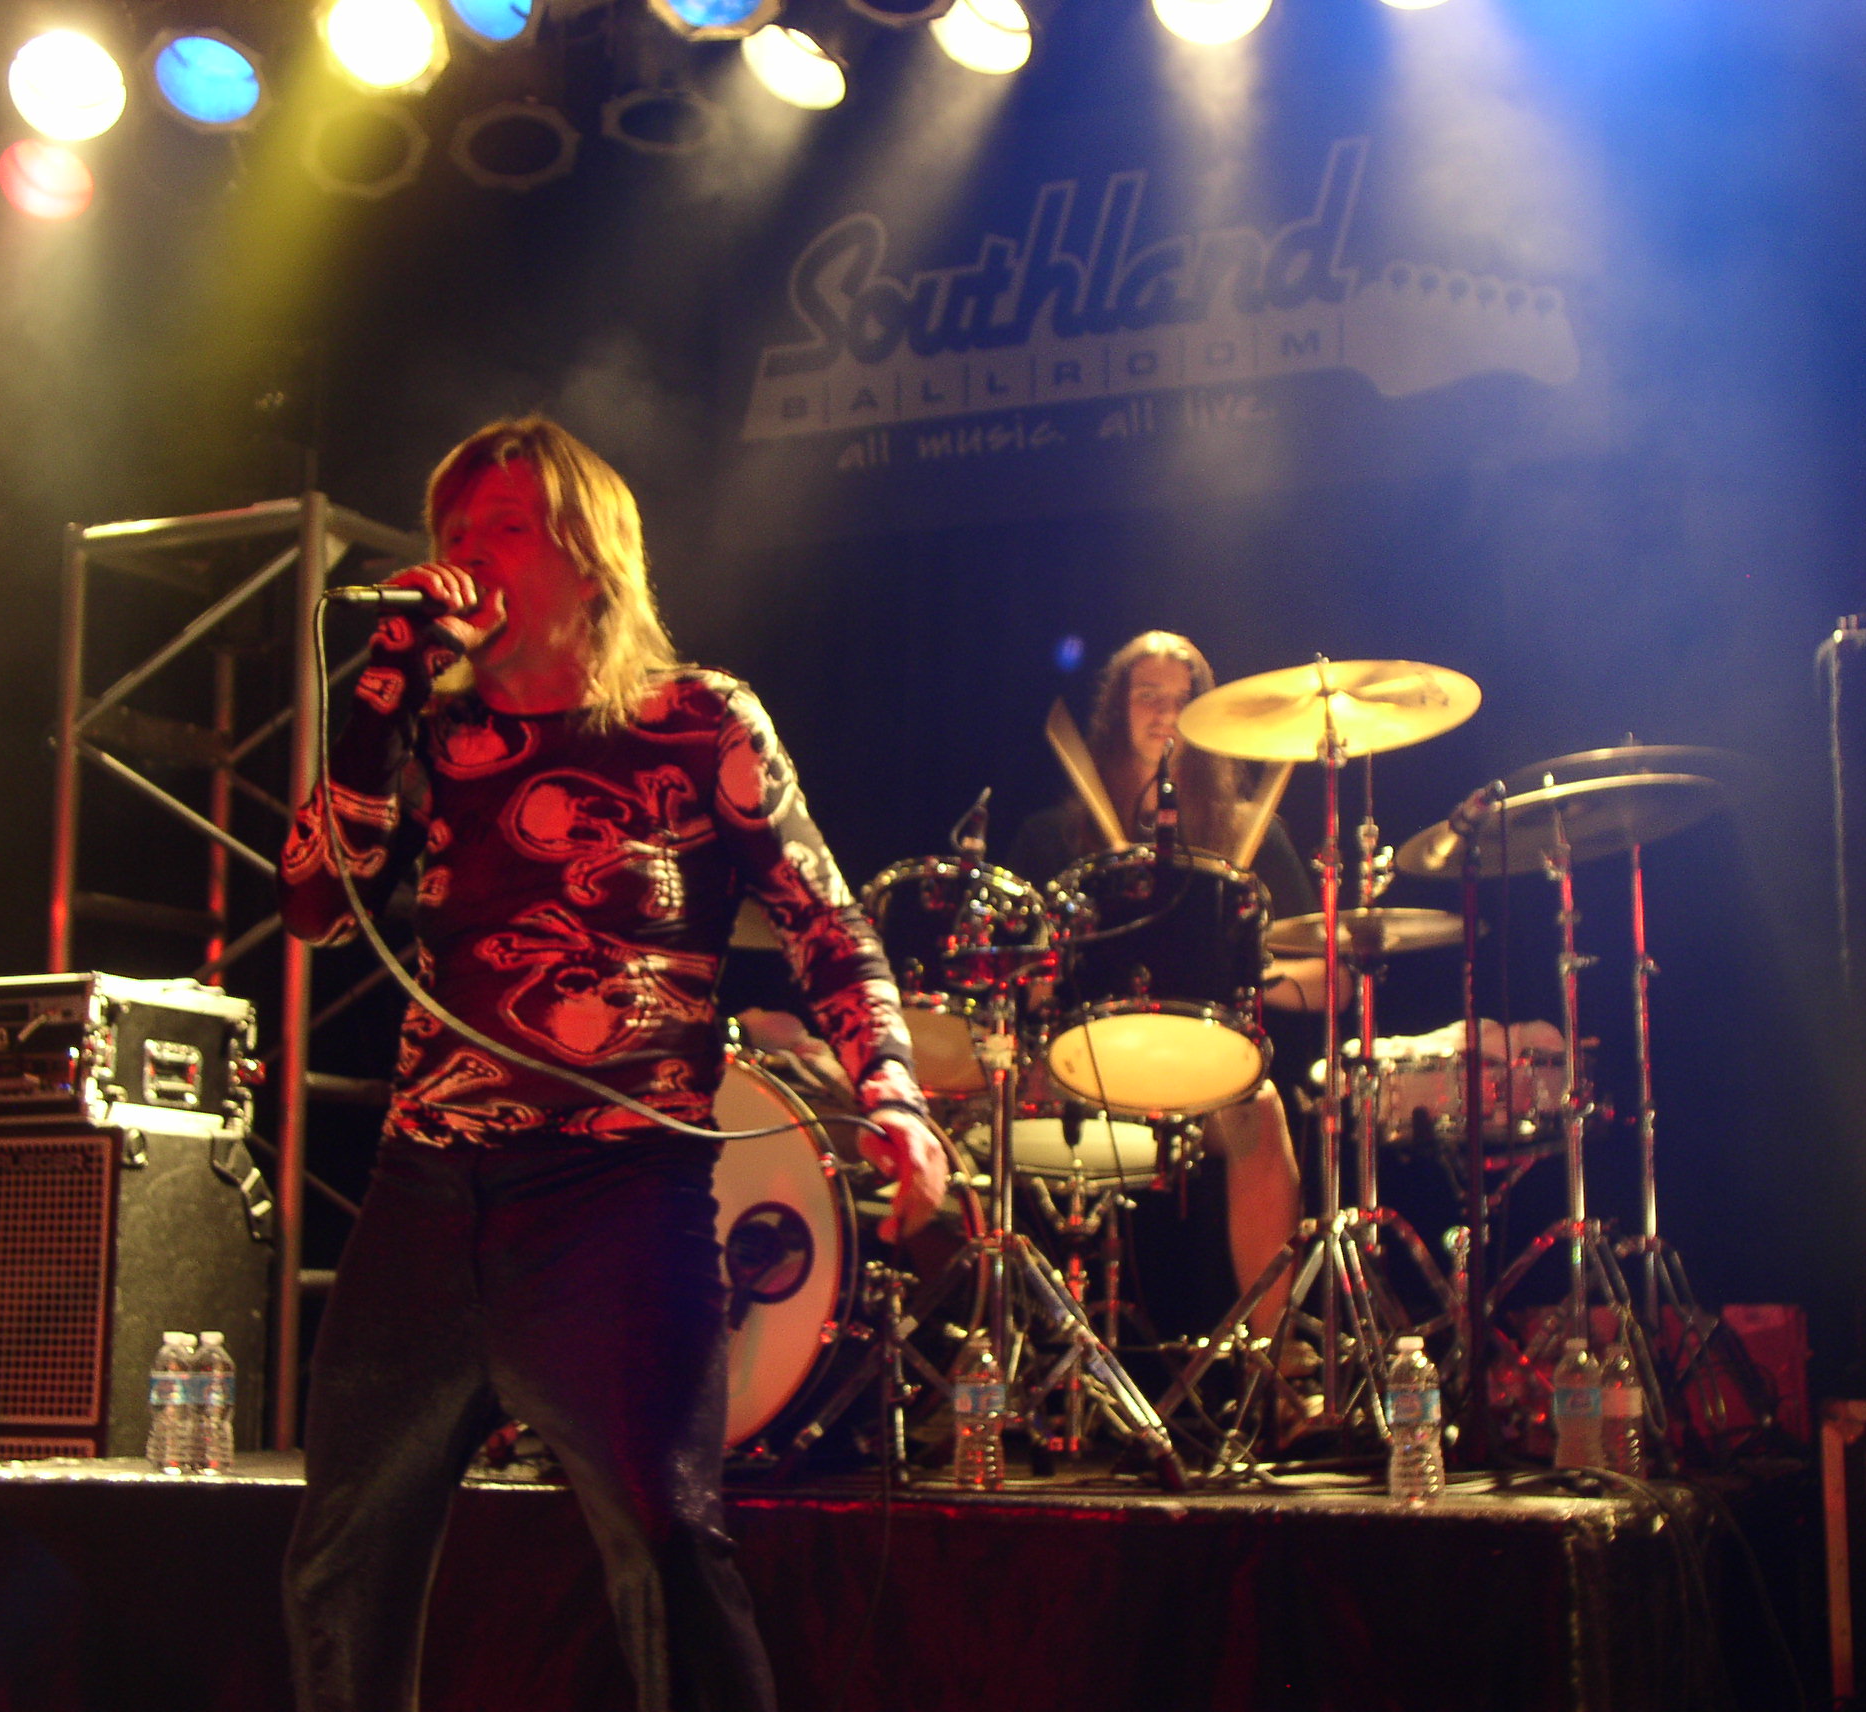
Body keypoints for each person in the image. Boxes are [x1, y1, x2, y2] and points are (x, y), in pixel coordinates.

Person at [275, 415, 946, 1712]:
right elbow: (312, 902)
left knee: (667, 1541)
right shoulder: (433, 736)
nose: (467, 553)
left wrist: (894, 1093)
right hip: (428, 1192)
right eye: (453, 530)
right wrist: (377, 700)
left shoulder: (697, 722)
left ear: (590, 560)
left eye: (505, 527)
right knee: (342, 1556)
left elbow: (824, 921)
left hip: (615, 1197)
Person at [1006, 631, 1336, 1339]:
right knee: (964, 1115)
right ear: (1115, 713)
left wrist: (1243, 969)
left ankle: (1273, 1356)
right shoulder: (1054, 837)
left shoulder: (1250, 833)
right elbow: (1016, 975)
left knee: (1263, 1112)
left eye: (1181, 700)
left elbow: (1328, 977)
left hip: (1199, 1070)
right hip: (1079, 1064)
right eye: (1146, 696)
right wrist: (1042, 983)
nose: (1163, 713)